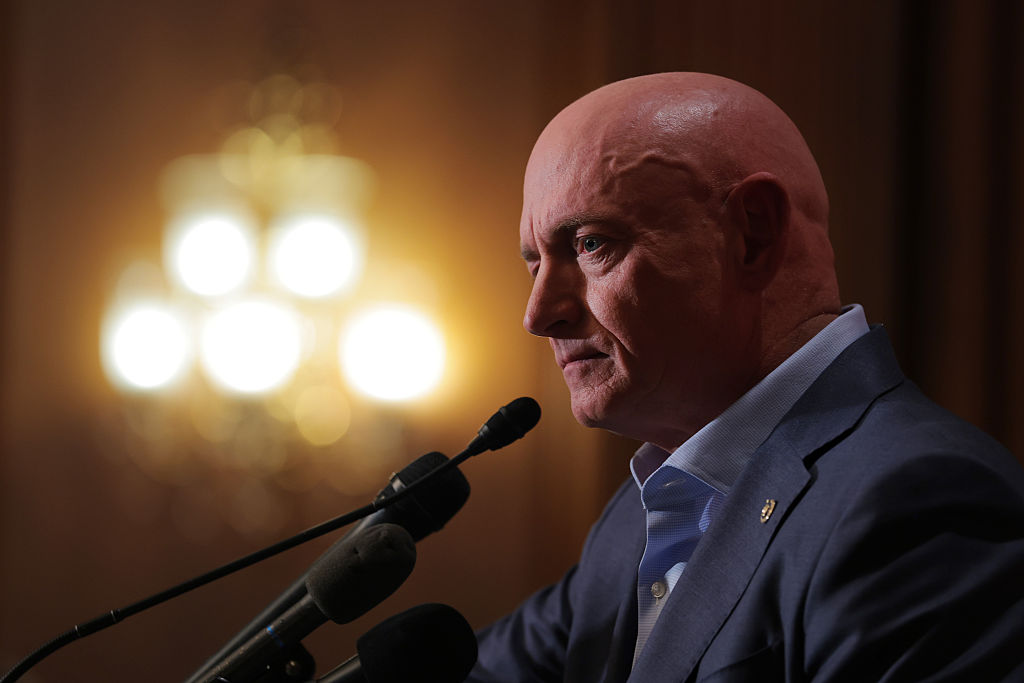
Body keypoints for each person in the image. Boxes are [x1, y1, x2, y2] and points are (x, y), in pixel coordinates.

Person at [468, 72, 1024, 682]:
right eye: (535, 265)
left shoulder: (916, 503)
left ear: (754, 234)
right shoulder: (645, 509)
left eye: (591, 244)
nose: (539, 315)